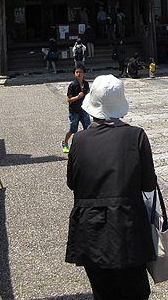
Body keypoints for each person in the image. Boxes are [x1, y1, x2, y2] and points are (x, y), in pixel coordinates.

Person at [65, 75, 157, 300]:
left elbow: (71, 183)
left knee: (103, 292)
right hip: (127, 226)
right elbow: (148, 184)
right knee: (135, 292)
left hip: (89, 227)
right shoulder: (136, 136)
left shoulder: (78, 140)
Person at [63, 66, 90, 153]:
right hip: (74, 111)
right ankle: (65, 142)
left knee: (88, 129)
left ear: (84, 73)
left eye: (80, 72)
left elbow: (88, 95)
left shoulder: (86, 84)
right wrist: (77, 97)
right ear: (74, 74)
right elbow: (69, 99)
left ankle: (88, 144)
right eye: (77, 72)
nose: (79, 74)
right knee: (73, 129)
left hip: (84, 110)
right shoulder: (72, 85)